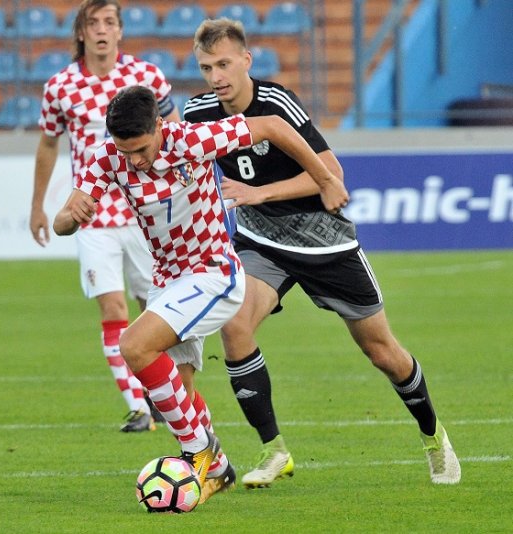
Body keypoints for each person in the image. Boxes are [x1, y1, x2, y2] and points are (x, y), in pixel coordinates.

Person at [183, 18, 461, 488]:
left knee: (382, 352)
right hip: (263, 243)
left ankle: (434, 436)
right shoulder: (198, 112)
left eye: (224, 64)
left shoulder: (274, 103)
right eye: (207, 67)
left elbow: (331, 176)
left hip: (324, 241)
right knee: (236, 324)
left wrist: (260, 193)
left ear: (247, 61)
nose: (216, 77)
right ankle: (274, 451)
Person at [53, 86, 348, 500]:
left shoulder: (192, 139)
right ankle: (219, 468)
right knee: (180, 394)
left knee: (135, 346)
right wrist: (70, 216)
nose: (134, 160)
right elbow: (62, 223)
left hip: (213, 274)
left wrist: (326, 179)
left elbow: (273, 126)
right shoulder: (108, 157)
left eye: (140, 149)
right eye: (126, 151)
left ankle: (198, 454)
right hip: (167, 281)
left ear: (159, 126)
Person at [30, 0, 182, 433]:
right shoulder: (60, 86)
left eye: (109, 22)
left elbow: (175, 132)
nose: (101, 30)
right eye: (92, 23)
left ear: (120, 31)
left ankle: (163, 396)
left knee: (153, 308)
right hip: (92, 214)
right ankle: (138, 405)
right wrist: (39, 205)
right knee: (112, 305)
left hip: (145, 212)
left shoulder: (147, 77)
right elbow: (47, 144)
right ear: (81, 32)